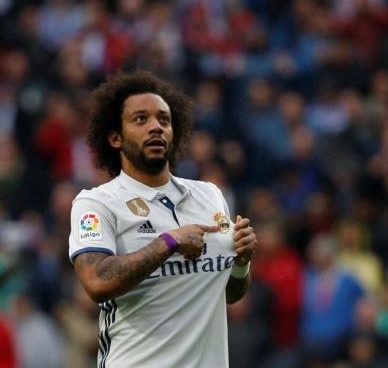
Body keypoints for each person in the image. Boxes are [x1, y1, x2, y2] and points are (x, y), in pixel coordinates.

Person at [68, 71, 258, 368]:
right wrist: (169, 242)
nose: (156, 126)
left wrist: (241, 263)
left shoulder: (210, 196)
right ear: (115, 137)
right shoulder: (97, 203)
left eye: (164, 120)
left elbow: (229, 295)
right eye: (140, 119)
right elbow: (96, 281)